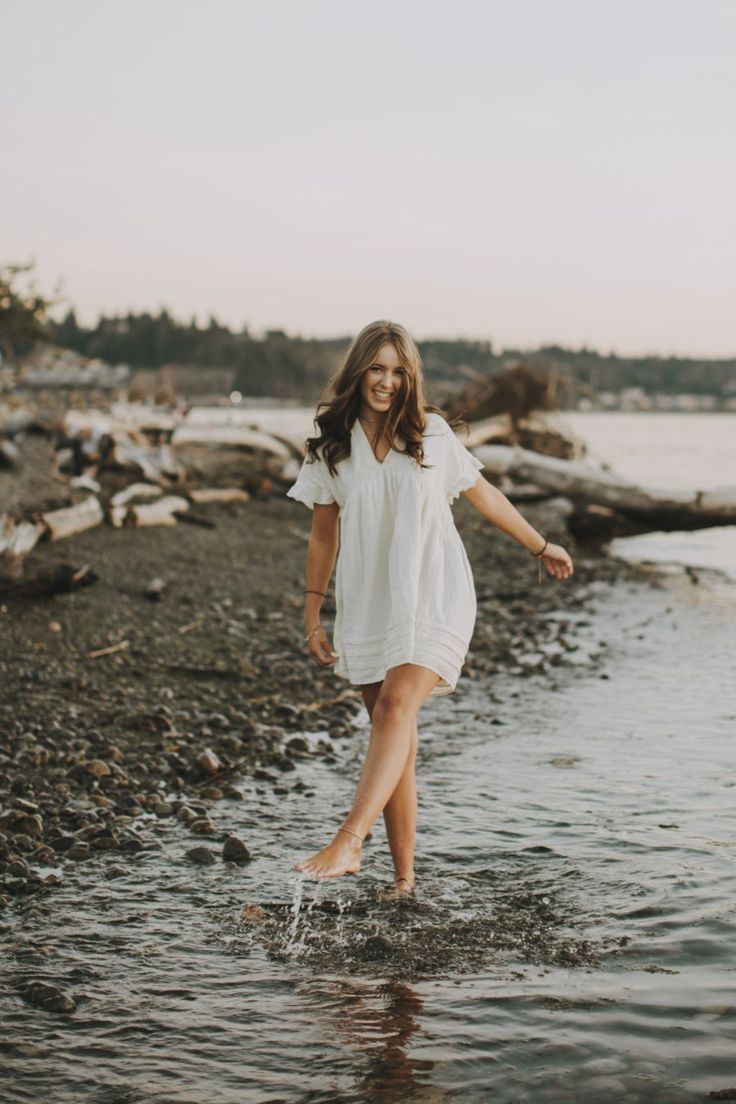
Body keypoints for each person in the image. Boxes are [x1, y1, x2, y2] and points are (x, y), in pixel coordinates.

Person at [285, 320, 574, 896]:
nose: (387, 382)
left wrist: (539, 545)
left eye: (398, 371)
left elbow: (484, 494)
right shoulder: (332, 446)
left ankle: (349, 840)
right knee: (396, 738)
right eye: (377, 368)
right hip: (370, 600)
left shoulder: (432, 435)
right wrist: (313, 615)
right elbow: (323, 534)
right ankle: (403, 882)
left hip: (436, 591)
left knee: (395, 708)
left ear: (410, 377)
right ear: (358, 370)